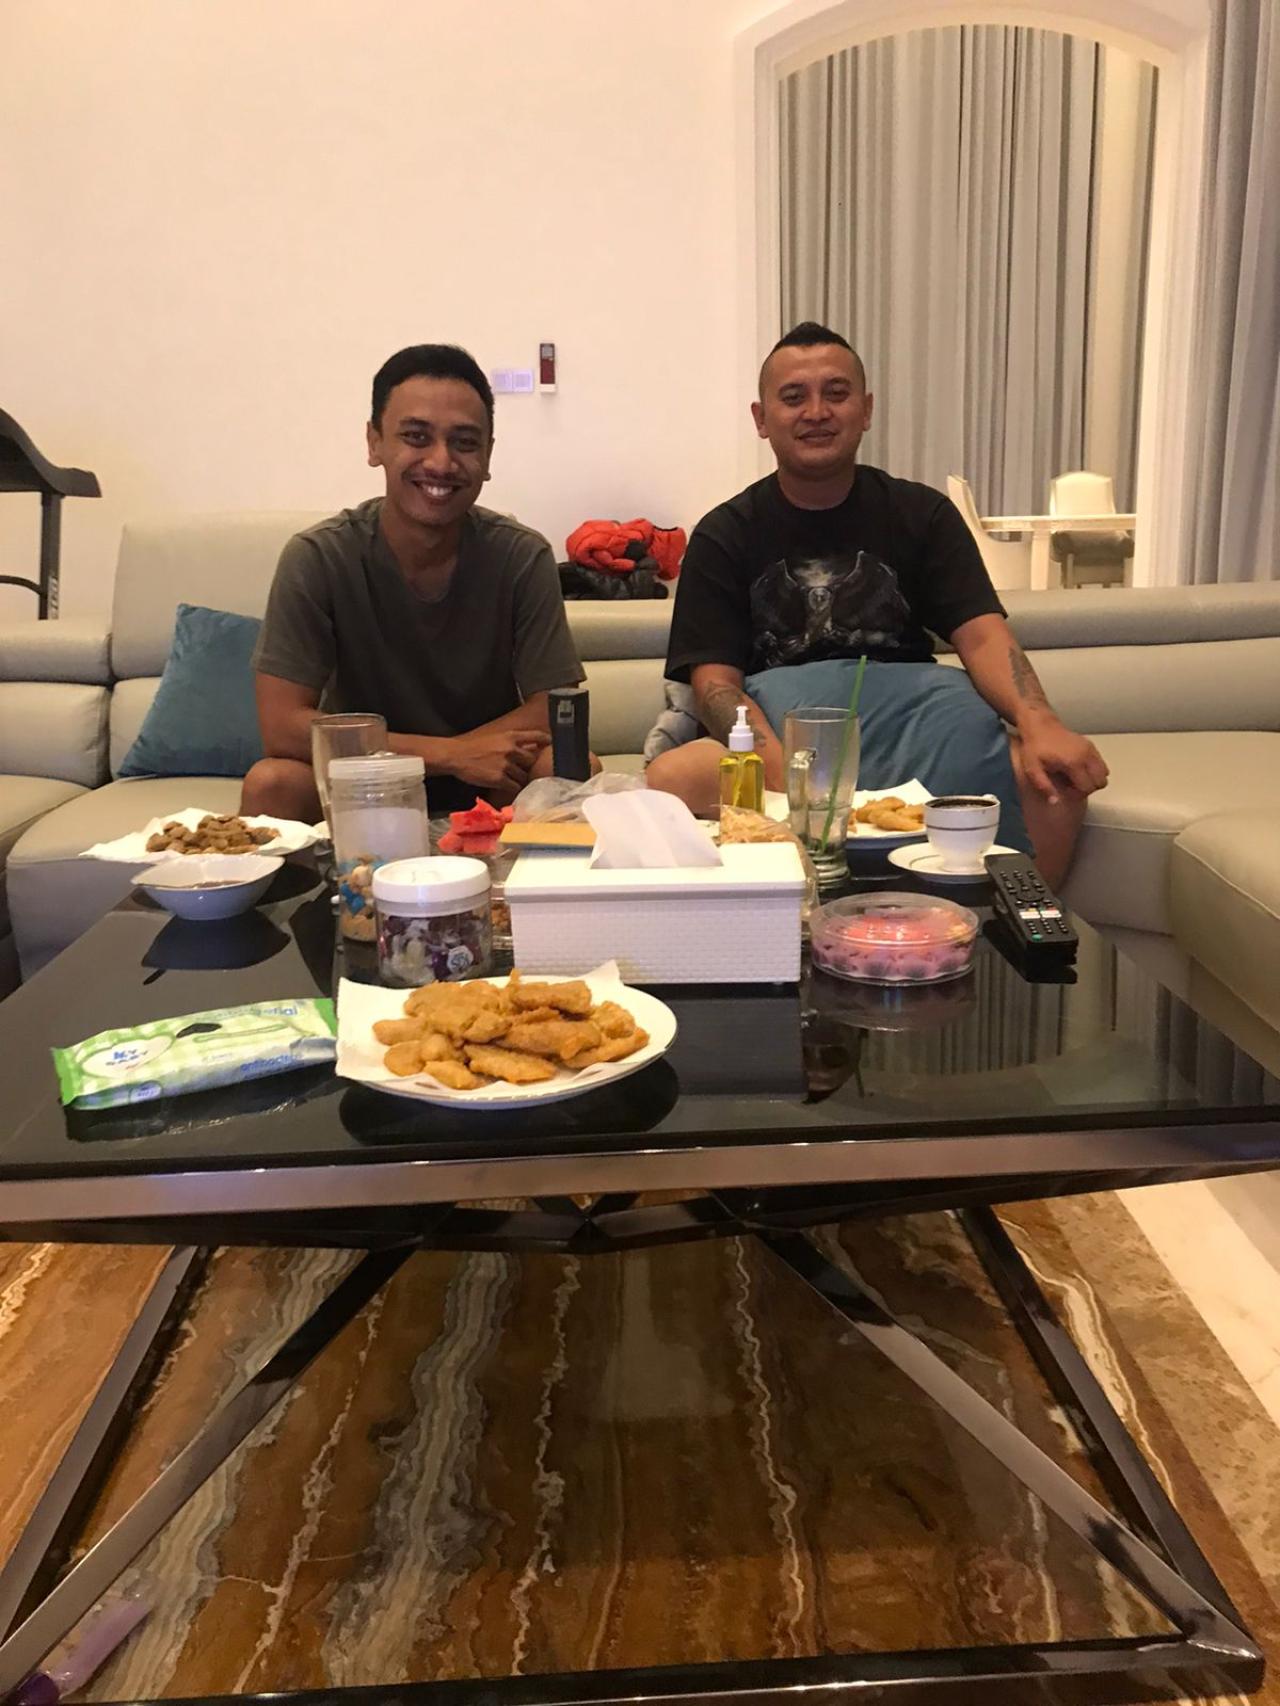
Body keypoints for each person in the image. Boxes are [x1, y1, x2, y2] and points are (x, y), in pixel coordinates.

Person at [646, 322, 1108, 886]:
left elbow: (983, 636)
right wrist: (789, 777)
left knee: (1055, 781)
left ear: (865, 410)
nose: (817, 411)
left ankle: (1008, 933)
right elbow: (716, 685)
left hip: (924, 729)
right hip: (783, 739)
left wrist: (1040, 722)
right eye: (794, 397)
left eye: (836, 393)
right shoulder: (724, 534)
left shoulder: (924, 515)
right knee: (671, 778)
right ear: (762, 419)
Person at [242, 343, 584, 820]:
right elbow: (282, 726)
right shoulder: (319, 557)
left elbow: (556, 705)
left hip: (491, 780)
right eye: (417, 437)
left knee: (570, 766)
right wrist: (448, 755)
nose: (441, 463)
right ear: (374, 442)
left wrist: (469, 757)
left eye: (464, 442)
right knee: (272, 783)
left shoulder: (522, 556)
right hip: (363, 784)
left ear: (488, 456)